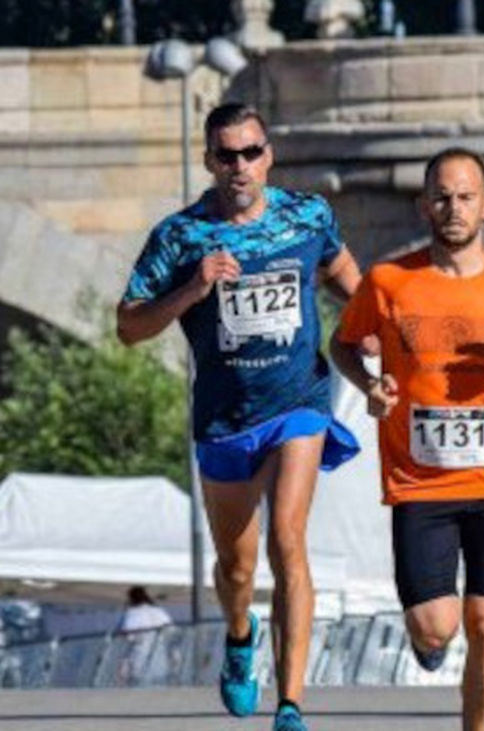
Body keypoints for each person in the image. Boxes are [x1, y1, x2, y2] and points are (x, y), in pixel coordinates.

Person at [117, 103, 361, 731]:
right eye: (226, 155)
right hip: (225, 419)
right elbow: (128, 327)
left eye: (251, 152)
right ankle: (238, 633)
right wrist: (192, 289)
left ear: (269, 155)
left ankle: (291, 702)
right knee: (237, 566)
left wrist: (380, 331)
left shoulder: (307, 216)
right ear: (208, 161)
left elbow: (345, 278)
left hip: (297, 404)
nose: (240, 166)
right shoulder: (181, 236)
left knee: (288, 539)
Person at [330, 147, 484, 731]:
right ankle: (428, 644)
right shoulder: (389, 281)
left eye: (466, 196)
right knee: (435, 625)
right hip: (419, 481)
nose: (454, 208)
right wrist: (369, 386)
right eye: (442, 196)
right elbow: (342, 345)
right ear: (424, 206)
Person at [115, 586, 174, 685]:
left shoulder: (131, 614)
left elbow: (125, 633)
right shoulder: (158, 611)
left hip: (138, 659)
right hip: (160, 659)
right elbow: (171, 629)